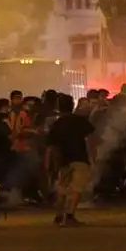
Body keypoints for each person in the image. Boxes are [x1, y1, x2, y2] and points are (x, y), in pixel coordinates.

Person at [45, 93, 95, 226]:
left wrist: (50, 163)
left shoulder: (56, 124)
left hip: (63, 160)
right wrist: (93, 156)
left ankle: (59, 216)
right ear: (72, 105)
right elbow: (90, 140)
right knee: (77, 188)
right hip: (80, 158)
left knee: (62, 188)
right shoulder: (80, 121)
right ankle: (70, 215)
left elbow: (51, 146)